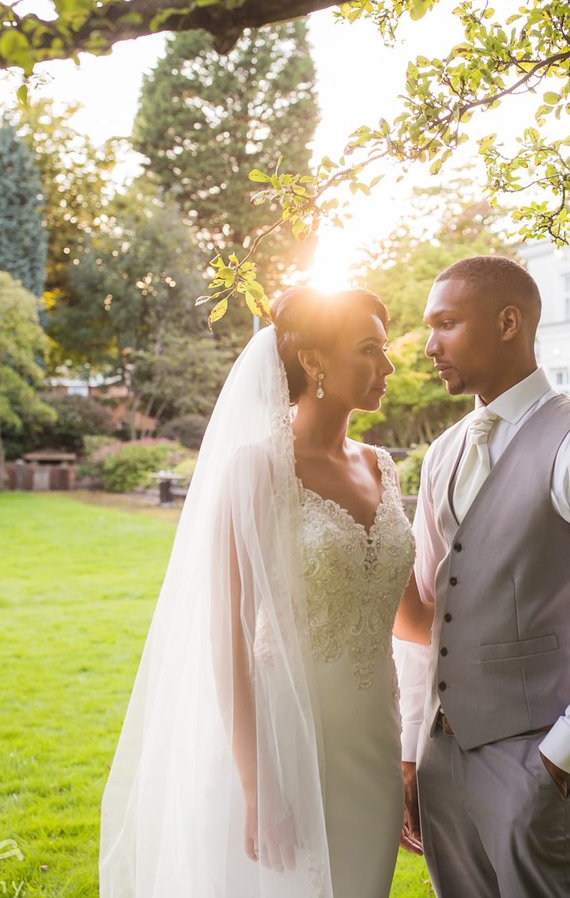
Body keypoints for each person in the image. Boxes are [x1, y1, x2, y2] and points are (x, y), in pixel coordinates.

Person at [99, 287, 432, 898]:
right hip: (287, 745)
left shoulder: (382, 467)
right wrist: (259, 787)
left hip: (374, 745)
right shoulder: (256, 470)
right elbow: (226, 639)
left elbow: (410, 617)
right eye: (369, 350)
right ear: (313, 362)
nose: (388, 368)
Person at [397, 256, 570, 898]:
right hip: (443, 762)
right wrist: (415, 750)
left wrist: (565, 757)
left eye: (445, 324)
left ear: (507, 322)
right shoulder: (443, 453)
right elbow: (431, 613)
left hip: (537, 761)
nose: (430, 345)